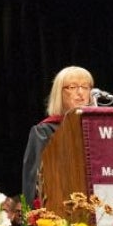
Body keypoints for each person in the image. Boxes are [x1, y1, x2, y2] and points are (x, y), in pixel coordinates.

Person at [21, 66, 94, 206]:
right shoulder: (45, 131)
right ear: (59, 93)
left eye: (85, 87)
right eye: (72, 87)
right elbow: (34, 180)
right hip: (61, 207)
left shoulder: (98, 129)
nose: (80, 93)